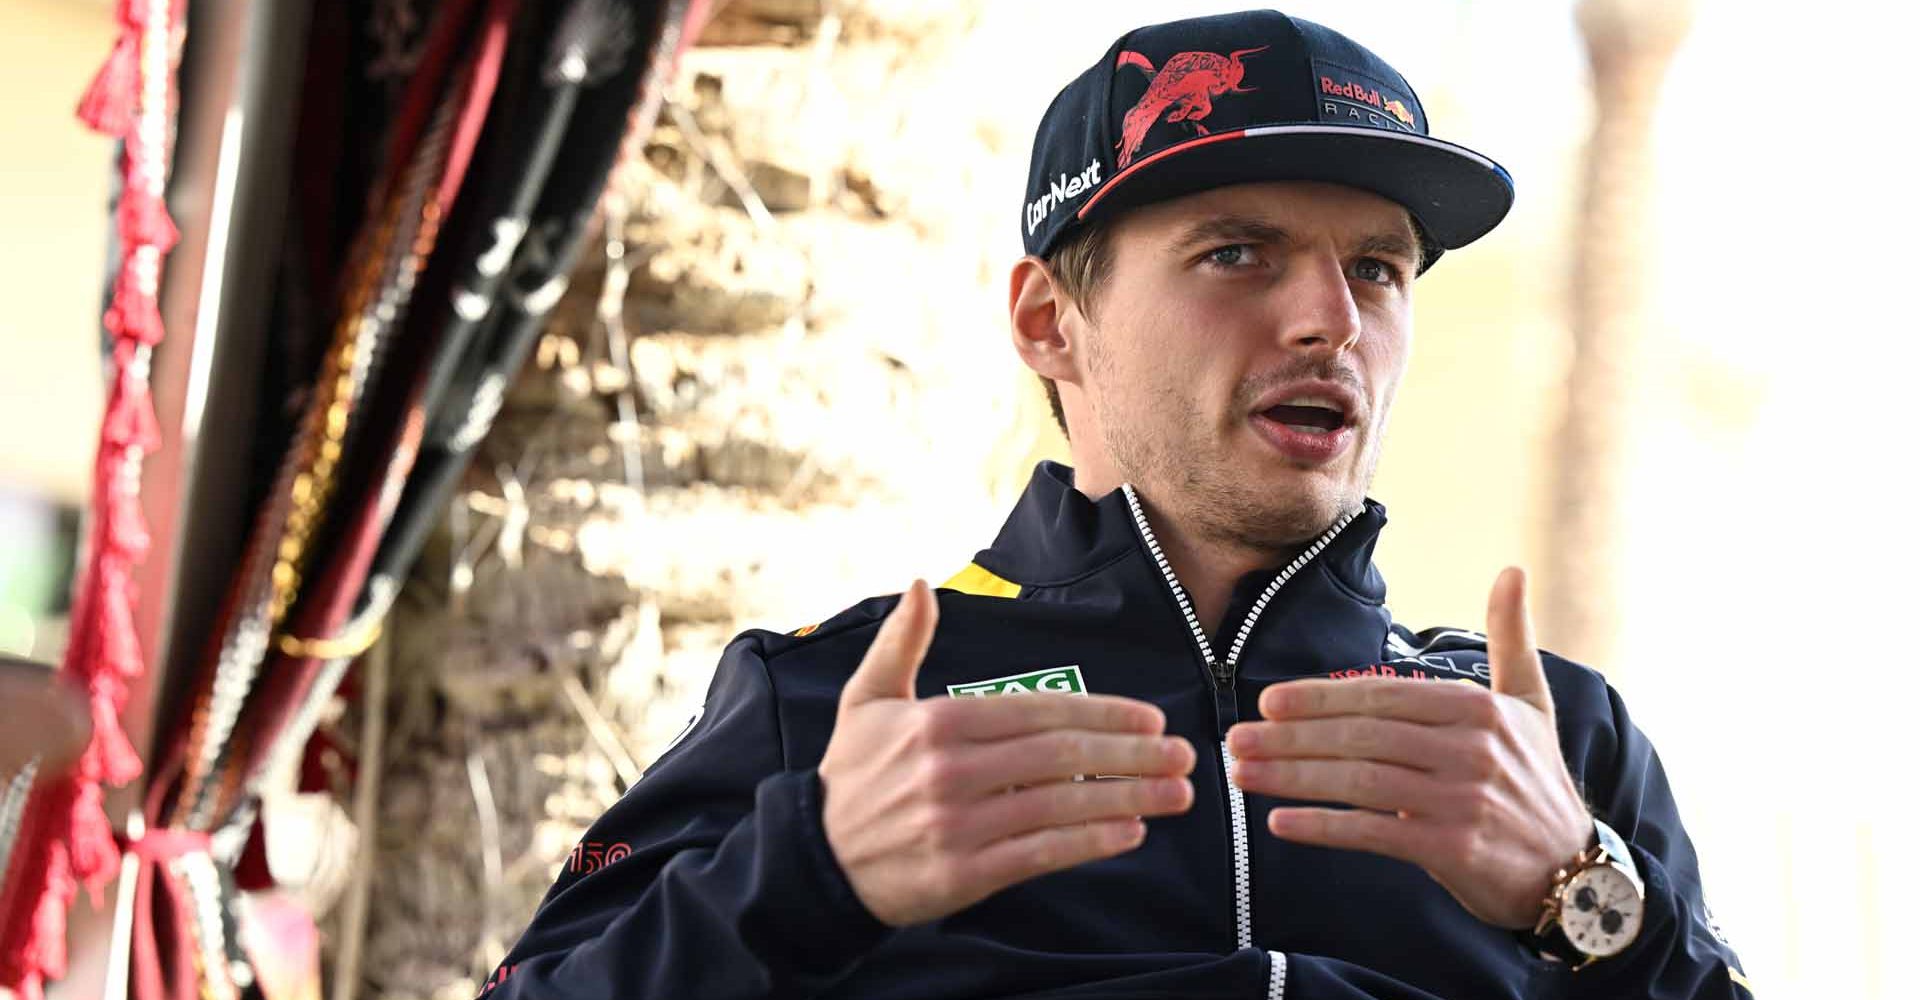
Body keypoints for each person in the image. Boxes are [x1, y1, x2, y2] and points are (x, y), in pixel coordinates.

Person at [480, 10, 1751, 998]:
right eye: (1237, 252)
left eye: (1376, 267)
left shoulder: (1552, 739)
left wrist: (1587, 898)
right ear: (1051, 322)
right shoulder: (831, 703)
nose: (1332, 319)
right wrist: (811, 873)